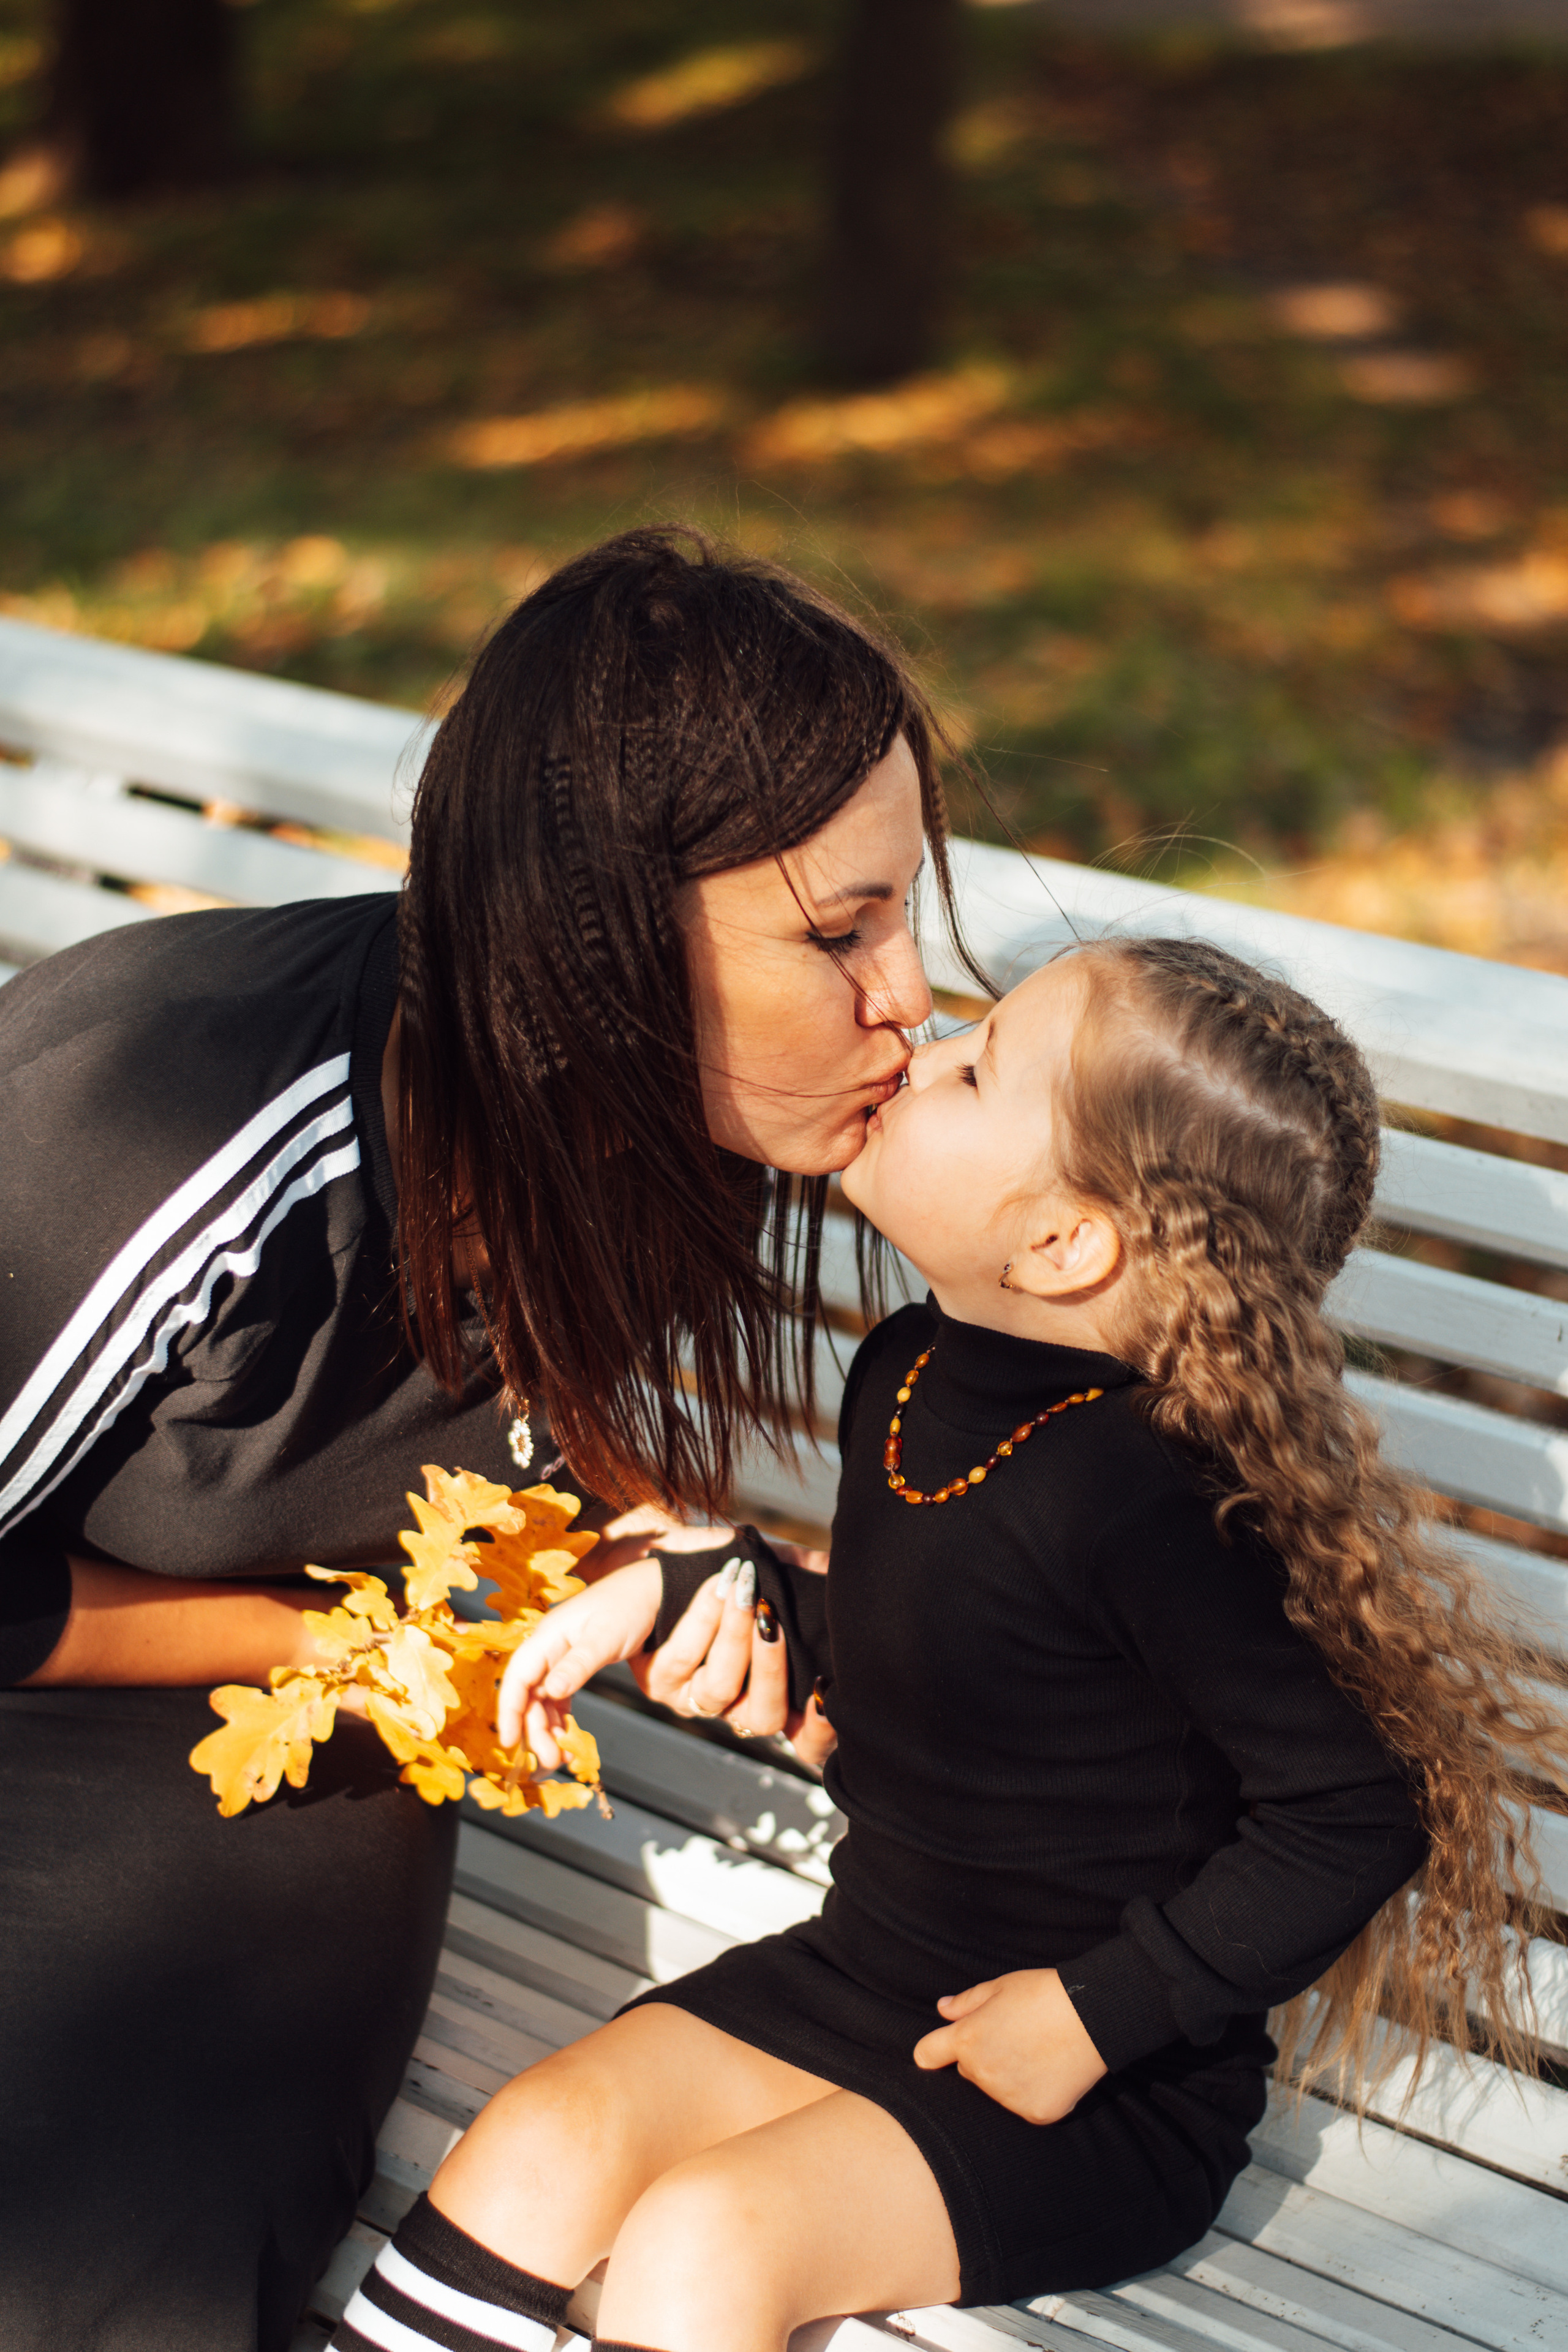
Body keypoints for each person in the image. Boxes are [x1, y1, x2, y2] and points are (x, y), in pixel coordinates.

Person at [0, 527, 978, 2350]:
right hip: (119, 1665)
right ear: (592, 940)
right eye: (838, 932)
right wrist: (327, 1640)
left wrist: (655, 1555)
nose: (908, 995)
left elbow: (496, 1427)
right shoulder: (171, 1132)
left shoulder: (669, 1124)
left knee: (124, 2271)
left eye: (902, 912)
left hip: (269, 1742)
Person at [339, 935, 1567, 2352]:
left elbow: (1355, 1810)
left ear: (1060, 1244)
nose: (920, 1055)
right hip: (865, 1975)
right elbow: (936, 1659)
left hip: (1092, 2088)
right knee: (544, 2132)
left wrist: (1096, 2014)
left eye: (976, 1070)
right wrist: (697, 1591)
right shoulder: (909, 1371)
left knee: (705, 2237)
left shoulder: (1145, 1500)